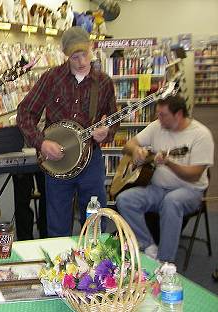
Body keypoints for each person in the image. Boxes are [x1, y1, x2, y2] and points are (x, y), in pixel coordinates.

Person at [15, 26, 118, 237]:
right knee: (57, 226)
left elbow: (113, 118)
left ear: (91, 49)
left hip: (91, 160)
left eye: (85, 55)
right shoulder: (51, 78)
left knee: (95, 223)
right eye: (75, 57)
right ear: (65, 54)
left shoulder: (104, 83)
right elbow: (25, 113)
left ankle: (95, 267)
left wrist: (106, 132)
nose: (81, 62)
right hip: (57, 162)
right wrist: (41, 143)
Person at [116, 95, 213, 262]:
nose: (158, 118)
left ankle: (165, 261)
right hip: (158, 189)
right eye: (158, 114)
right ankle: (149, 247)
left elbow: (195, 175)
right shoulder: (157, 127)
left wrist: (169, 163)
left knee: (172, 201)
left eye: (163, 115)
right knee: (124, 199)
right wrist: (136, 151)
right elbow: (128, 145)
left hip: (190, 191)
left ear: (178, 114)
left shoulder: (201, 135)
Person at [12, 171, 47, 240]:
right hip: (21, 162)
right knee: (22, 200)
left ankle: (47, 235)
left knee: (48, 196)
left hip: (47, 162)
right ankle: (25, 240)